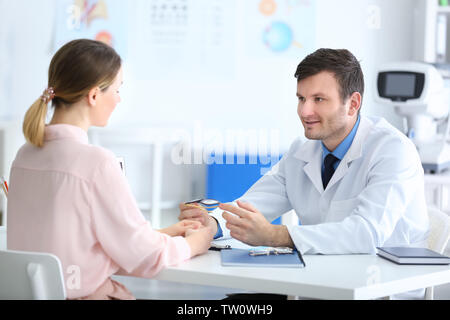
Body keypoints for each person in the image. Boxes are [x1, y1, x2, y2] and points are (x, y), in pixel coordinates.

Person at [179, 48, 429, 299]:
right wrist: (212, 223)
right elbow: (251, 206)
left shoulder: (392, 151)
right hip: (322, 284)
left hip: (378, 291)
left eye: (318, 99)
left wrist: (276, 235)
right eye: (301, 98)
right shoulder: (302, 150)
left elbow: (367, 234)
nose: (304, 111)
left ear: (353, 104)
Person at [7, 39, 214, 300]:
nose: (118, 99)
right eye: (117, 90)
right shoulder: (96, 162)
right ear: (94, 95)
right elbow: (147, 258)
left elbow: (68, 241)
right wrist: (195, 243)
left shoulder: (25, 155)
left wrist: (159, 234)